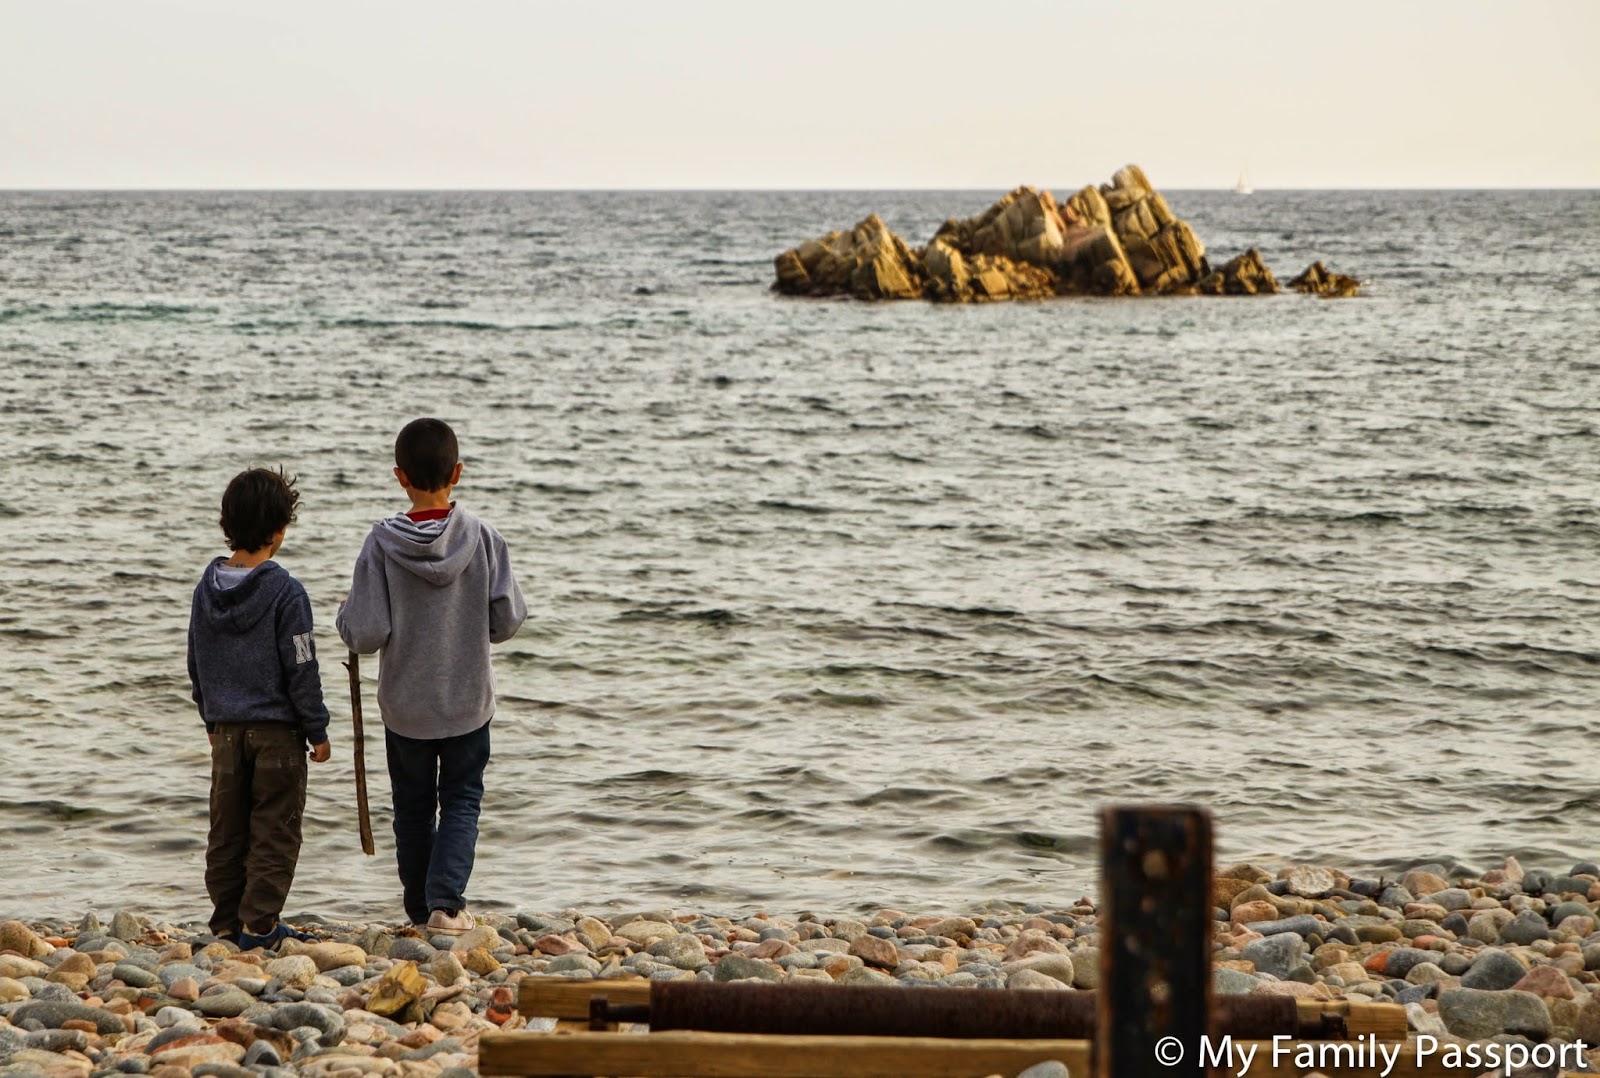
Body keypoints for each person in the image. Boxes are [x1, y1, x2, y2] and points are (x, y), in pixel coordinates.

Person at [336, 418, 526, 933]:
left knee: (412, 809)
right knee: (462, 799)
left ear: (401, 477)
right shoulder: (484, 537)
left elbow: (366, 632)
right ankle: (446, 905)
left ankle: (420, 911)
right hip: (467, 702)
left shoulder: (380, 545)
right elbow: (506, 621)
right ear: (457, 473)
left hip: (406, 708)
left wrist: (343, 618)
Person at [187, 466, 332, 948]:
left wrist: (210, 715)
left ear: (227, 525)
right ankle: (261, 924)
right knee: (275, 829)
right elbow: (302, 664)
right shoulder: (286, 591)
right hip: (278, 734)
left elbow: (196, 659)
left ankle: (226, 921)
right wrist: (317, 728)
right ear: (279, 531)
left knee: (227, 829)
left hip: (226, 730)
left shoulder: (206, 590)